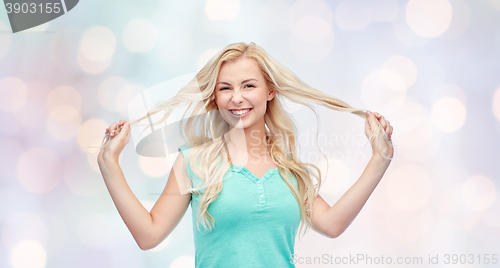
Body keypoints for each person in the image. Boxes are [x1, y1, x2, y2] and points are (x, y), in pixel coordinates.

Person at [94, 42, 394, 267]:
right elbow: (149, 235)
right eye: (225, 88)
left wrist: (379, 159)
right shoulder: (194, 162)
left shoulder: (290, 171)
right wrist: (109, 165)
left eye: (248, 85)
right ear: (215, 98)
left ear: (270, 91)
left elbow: (332, 224)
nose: (236, 97)